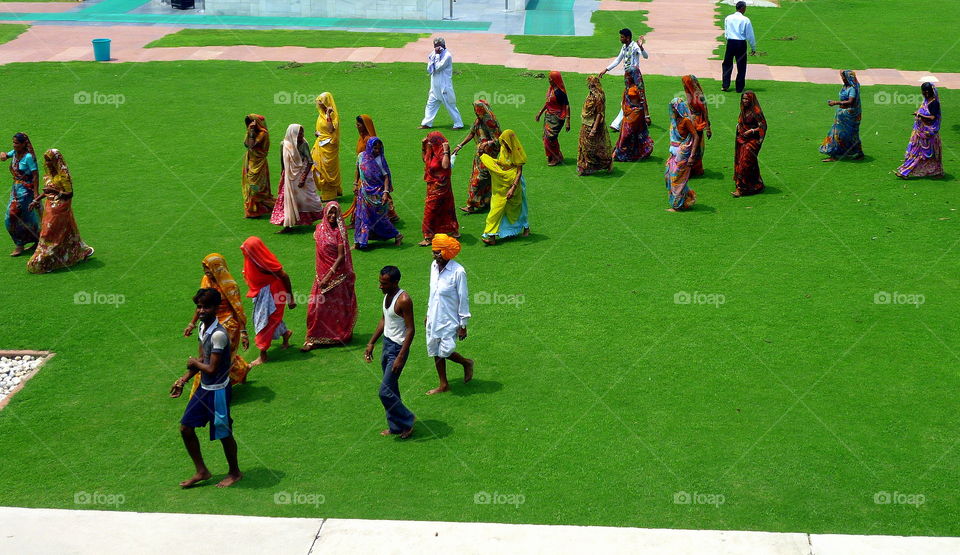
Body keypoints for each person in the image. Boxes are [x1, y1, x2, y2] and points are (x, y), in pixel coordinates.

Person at [169, 288, 242, 489]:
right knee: (185, 428)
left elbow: (210, 367)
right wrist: (183, 380)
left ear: (216, 308)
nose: (201, 311)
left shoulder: (219, 335)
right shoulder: (203, 328)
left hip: (218, 391)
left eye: (206, 307)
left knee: (224, 433)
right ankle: (202, 470)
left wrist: (193, 362)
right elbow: (203, 359)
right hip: (204, 389)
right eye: (199, 307)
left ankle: (235, 472)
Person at [183, 254, 252, 396]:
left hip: (228, 326)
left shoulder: (230, 285)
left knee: (220, 359)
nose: (206, 271)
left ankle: (209, 390)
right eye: (204, 268)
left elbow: (237, 308)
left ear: (217, 267)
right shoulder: (205, 280)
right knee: (210, 356)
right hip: (208, 323)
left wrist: (243, 332)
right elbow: (201, 304)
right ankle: (240, 369)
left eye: (208, 268)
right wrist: (192, 323)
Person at [364, 266, 416, 439]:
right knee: (391, 389)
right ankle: (396, 426)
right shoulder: (387, 295)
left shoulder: (404, 300)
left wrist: (400, 356)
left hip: (397, 349)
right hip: (387, 345)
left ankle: (408, 420)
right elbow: (384, 320)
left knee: (384, 392)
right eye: (380, 282)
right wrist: (371, 342)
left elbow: (410, 330)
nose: (380, 286)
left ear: (395, 282)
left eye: (384, 283)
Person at [25, 149, 94, 273]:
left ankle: (46, 260)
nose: (47, 163)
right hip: (50, 207)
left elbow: (69, 193)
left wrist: (56, 192)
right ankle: (78, 252)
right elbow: (47, 190)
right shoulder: (50, 173)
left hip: (60, 207)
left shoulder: (63, 175)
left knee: (50, 233)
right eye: (46, 160)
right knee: (63, 231)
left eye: (49, 160)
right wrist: (36, 200)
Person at [303, 202, 357, 350]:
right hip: (320, 275)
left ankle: (337, 335)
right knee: (315, 307)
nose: (333, 216)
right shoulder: (319, 229)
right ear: (325, 213)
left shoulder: (340, 232)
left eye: (336, 213)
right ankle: (312, 338)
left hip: (336, 276)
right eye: (330, 213)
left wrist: (329, 275)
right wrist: (323, 276)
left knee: (335, 308)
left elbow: (341, 256)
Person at [425, 234, 474, 395]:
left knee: (445, 350)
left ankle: (466, 362)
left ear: (447, 252)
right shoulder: (433, 266)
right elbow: (433, 292)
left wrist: (463, 325)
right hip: (434, 315)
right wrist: (428, 312)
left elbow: (463, 298)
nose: (435, 255)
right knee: (434, 349)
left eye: (438, 252)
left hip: (449, 318)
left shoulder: (458, 271)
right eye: (434, 252)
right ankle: (443, 384)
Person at [239, 236, 295, 367]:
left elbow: (284, 276)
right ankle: (285, 334)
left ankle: (263, 355)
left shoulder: (265, 263)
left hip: (272, 292)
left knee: (263, 322)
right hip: (260, 292)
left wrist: (290, 298)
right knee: (271, 319)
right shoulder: (252, 258)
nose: (246, 253)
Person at [270, 124, 325, 232]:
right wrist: (283, 174)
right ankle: (288, 224)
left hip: (301, 174)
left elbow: (309, 161)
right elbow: (283, 162)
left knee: (309, 199)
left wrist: (303, 178)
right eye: (298, 133)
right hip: (289, 177)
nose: (301, 135)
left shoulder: (303, 144)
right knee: (287, 200)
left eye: (302, 133)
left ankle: (321, 219)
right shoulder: (284, 145)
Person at [480, 130, 530, 246]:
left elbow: (519, 172)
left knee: (520, 207)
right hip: (502, 183)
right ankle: (491, 236)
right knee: (496, 207)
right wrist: (492, 163)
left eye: (506, 143)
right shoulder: (503, 148)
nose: (504, 145)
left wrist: (513, 188)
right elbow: (502, 162)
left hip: (515, 183)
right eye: (503, 143)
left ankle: (526, 227)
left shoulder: (517, 152)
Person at [452, 100, 502, 213]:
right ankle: (481, 202)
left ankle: (472, 204)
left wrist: (486, 143)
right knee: (480, 177)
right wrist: (460, 146)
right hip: (480, 154)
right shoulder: (478, 120)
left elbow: (499, 139)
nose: (475, 111)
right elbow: (472, 133)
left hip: (489, 155)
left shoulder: (490, 121)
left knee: (480, 178)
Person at [354, 137, 403, 250]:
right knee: (362, 217)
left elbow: (386, 176)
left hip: (377, 193)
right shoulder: (361, 156)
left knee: (379, 218)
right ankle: (360, 241)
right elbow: (358, 169)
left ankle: (397, 235)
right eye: (374, 148)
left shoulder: (380, 160)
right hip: (364, 193)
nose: (377, 150)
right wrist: (355, 184)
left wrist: (385, 192)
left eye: (379, 148)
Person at [599, 28, 650, 130]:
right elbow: (618, 59)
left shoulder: (634, 46)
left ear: (627, 38)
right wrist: (606, 69)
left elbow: (646, 56)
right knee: (632, 96)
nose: (620, 39)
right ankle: (644, 118)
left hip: (635, 75)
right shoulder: (624, 47)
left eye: (622, 37)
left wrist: (641, 47)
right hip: (627, 76)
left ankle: (618, 123)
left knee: (635, 96)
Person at [2, 132, 40, 257]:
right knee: (24, 216)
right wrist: (3, 155)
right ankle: (35, 239)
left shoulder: (28, 157)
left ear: (24, 144)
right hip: (16, 190)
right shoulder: (15, 153)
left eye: (17, 143)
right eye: (13, 143)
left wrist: (35, 193)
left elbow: (35, 175)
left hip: (26, 191)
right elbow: (6, 155)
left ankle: (21, 244)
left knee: (13, 214)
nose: (14, 145)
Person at [895, 82, 943, 179]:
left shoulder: (934, 103)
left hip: (928, 134)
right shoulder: (927, 101)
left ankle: (905, 172)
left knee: (919, 153)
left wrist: (919, 115)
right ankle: (905, 171)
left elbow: (932, 118)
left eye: (926, 92)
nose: (924, 94)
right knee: (917, 152)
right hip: (920, 133)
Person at [420, 131, 459, 246]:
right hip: (432, 185)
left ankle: (428, 237)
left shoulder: (442, 151)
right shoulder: (432, 149)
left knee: (431, 209)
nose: (429, 143)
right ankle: (452, 230)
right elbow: (425, 160)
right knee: (445, 207)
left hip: (441, 185)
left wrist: (446, 151)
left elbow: (445, 166)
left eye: (431, 141)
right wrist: (423, 147)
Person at [343, 114, 383, 228]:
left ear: (365, 126)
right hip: (361, 170)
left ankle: (360, 220)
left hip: (367, 173)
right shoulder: (361, 137)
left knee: (363, 196)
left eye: (359, 125)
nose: (357, 127)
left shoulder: (369, 140)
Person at [419, 37, 464, 130]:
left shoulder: (447, 55)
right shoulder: (433, 54)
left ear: (443, 46)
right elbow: (429, 69)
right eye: (435, 46)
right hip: (435, 86)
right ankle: (427, 123)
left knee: (450, 105)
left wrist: (437, 56)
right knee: (430, 104)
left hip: (444, 86)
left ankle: (458, 124)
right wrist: (435, 56)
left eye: (439, 46)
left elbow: (439, 67)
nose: (437, 48)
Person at [820, 70, 864, 162]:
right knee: (838, 134)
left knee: (846, 134)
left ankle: (856, 153)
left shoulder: (852, 89)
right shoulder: (845, 86)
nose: (842, 79)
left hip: (849, 115)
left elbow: (850, 101)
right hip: (842, 115)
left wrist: (836, 102)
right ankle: (835, 154)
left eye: (843, 78)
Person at [665, 98, 699, 211]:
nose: (673, 110)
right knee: (669, 176)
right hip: (674, 154)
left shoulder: (686, 121)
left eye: (675, 108)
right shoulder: (674, 121)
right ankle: (688, 198)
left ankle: (677, 205)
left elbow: (696, 136)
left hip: (683, 154)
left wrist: (692, 156)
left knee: (677, 179)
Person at [613, 71, 654, 162]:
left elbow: (643, 102)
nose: (626, 77)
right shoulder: (628, 87)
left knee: (627, 134)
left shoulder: (637, 89)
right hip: (628, 113)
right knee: (628, 134)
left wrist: (647, 115)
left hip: (636, 113)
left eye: (628, 75)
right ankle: (625, 152)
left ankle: (620, 153)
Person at [732, 91, 767, 197]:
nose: (745, 101)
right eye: (743, 99)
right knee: (747, 161)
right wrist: (739, 126)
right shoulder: (743, 109)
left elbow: (763, 126)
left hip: (753, 141)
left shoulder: (756, 111)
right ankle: (755, 184)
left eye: (747, 99)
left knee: (745, 162)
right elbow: (741, 122)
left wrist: (751, 131)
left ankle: (742, 188)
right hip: (742, 139)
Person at [577, 76, 613, 176]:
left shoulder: (599, 96)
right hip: (586, 123)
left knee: (592, 146)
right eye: (589, 84)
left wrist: (594, 129)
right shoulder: (591, 94)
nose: (590, 86)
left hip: (593, 125)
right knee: (584, 145)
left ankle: (605, 162)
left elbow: (599, 113)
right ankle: (585, 167)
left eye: (592, 84)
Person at [241, 114, 275, 218]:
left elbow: (251, 145)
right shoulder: (252, 132)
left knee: (255, 186)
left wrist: (251, 132)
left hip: (258, 164)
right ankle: (253, 210)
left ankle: (260, 208)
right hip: (251, 162)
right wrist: (249, 132)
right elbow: (246, 144)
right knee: (251, 186)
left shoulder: (263, 134)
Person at [535, 71, 571, 166]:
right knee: (547, 137)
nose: (549, 80)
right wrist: (540, 113)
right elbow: (548, 103)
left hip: (557, 118)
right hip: (549, 116)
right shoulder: (551, 89)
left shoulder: (560, 93)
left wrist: (568, 122)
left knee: (550, 137)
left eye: (551, 78)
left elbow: (567, 106)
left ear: (555, 80)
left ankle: (556, 157)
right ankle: (556, 155)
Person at [312, 92, 342, 202]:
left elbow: (330, 129)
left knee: (327, 169)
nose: (321, 106)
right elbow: (321, 128)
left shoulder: (333, 115)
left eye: (322, 104)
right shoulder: (321, 114)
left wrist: (328, 115)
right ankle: (325, 191)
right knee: (315, 166)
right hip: (320, 144)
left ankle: (330, 194)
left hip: (329, 146)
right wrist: (317, 133)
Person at [721, 1, 756, 93]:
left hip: (731, 42)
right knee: (741, 66)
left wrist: (728, 40)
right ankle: (739, 88)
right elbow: (750, 35)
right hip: (741, 43)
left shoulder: (728, 18)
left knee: (727, 64)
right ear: (742, 8)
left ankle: (725, 85)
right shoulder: (745, 20)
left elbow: (726, 31)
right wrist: (753, 47)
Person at [682, 75, 712, 176]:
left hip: (698, 122)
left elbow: (705, 110)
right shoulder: (689, 93)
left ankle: (695, 169)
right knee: (690, 144)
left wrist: (708, 128)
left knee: (696, 145)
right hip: (691, 122)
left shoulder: (699, 96)